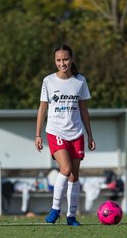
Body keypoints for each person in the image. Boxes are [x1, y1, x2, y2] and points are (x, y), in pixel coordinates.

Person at [35, 45, 96, 226]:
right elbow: (42, 108)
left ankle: (71, 216)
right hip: (55, 132)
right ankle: (55, 209)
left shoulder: (80, 81)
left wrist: (90, 135)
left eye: (65, 59)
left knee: (74, 176)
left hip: (76, 133)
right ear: (55, 61)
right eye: (58, 60)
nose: (62, 63)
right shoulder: (48, 81)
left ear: (72, 60)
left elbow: (84, 109)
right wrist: (38, 134)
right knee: (66, 169)